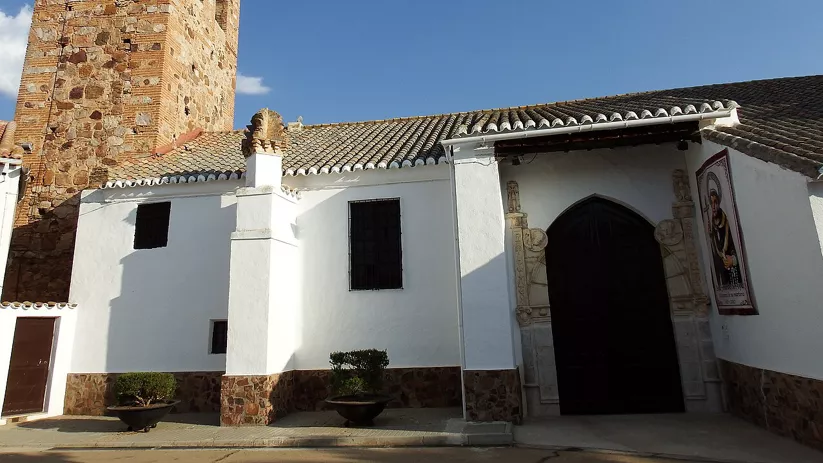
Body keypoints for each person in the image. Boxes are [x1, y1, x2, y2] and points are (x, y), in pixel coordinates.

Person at [708, 189, 740, 287]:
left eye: (715, 203)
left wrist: (734, 259)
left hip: (733, 272)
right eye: (711, 203)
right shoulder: (712, 228)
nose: (713, 207)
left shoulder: (726, 222)